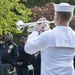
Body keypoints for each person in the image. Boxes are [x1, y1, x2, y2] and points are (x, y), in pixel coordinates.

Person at [24, 3, 75, 75]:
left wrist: (35, 31)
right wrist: (47, 29)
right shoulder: (73, 35)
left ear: (57, 16)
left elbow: (28, 49)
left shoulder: (48, 36)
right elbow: (58, 39)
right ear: (70, 17)